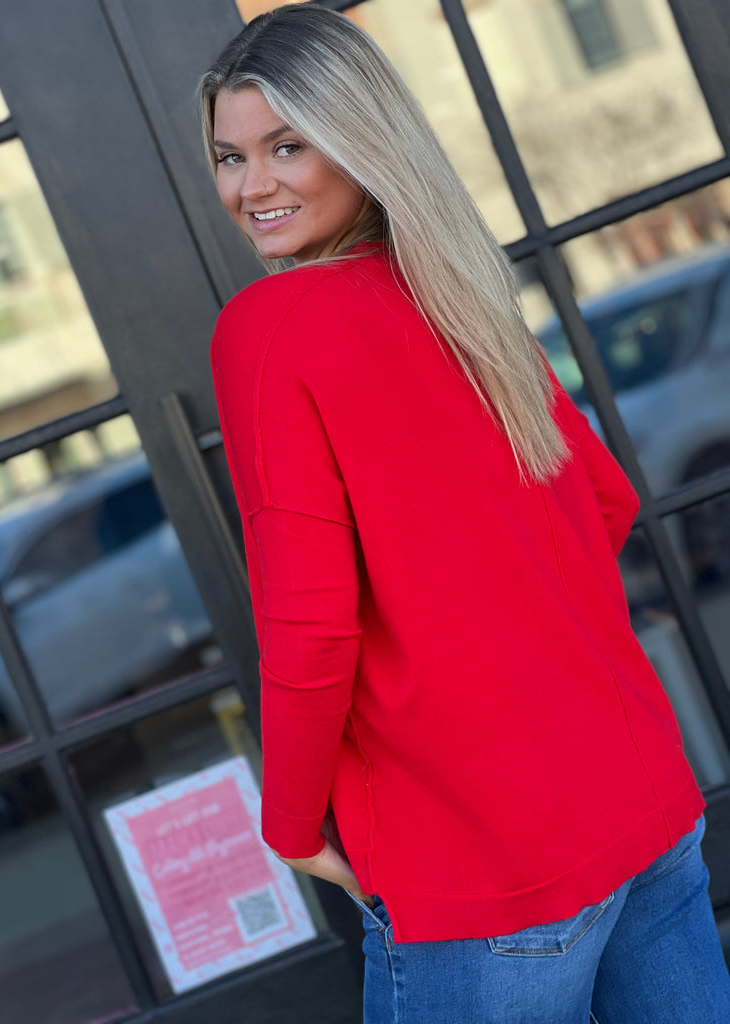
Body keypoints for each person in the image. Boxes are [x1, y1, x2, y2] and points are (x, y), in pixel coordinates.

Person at [199, 6, 730, 1022]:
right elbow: (603, 502)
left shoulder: (269, 330)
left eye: (286, 146)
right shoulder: (460, 290)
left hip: (481, 861)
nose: (250, 186)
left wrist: (293, 819)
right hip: (639, 799)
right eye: (229, 156)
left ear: (360, 141)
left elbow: (311, 626)